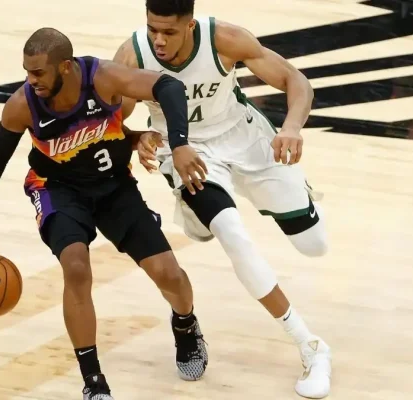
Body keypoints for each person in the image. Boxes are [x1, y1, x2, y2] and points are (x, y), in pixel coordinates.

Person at [0, 27, 209, 400]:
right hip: (57, 189)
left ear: (65, 66)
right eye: (26, 72)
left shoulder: (103, 77)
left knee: (169, 275)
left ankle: (185, 325)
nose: (31, 80)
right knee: (76, 267)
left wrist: (177, 144)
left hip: (113, 186)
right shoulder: (22, 104)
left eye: (38, 72)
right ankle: (93, 381)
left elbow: (168, 86)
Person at [113, 1, 332, 398]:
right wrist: (135, 138)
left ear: (190, 26)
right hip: (188, 153)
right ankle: (310, 346)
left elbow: (296, 80)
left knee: (314, 245)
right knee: (232, 234)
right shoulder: (133, 55)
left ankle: (222, 211)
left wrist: (292, 128)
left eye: (169, 32)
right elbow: (111, 122)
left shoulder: (224, 39)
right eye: (152, 29)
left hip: (246, 138)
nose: (158, 40)